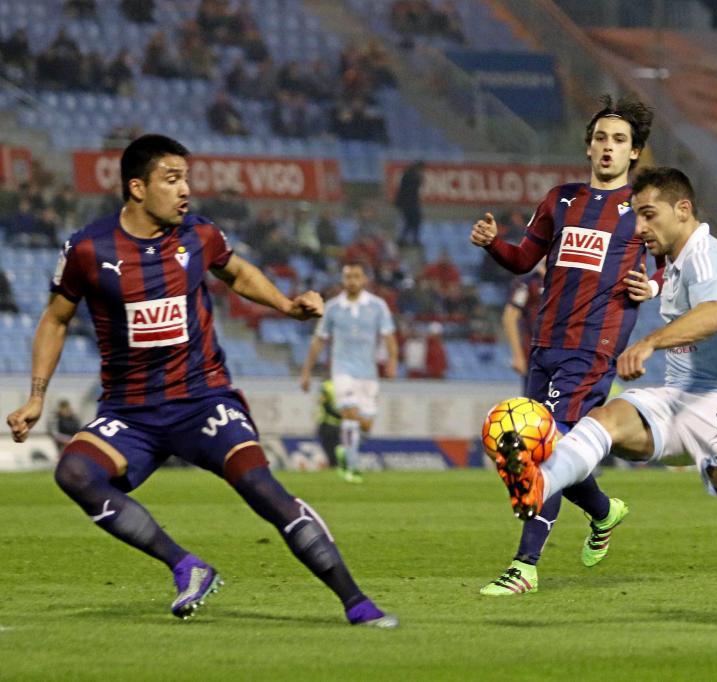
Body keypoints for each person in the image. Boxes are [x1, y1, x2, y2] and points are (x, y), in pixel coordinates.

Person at [4, 135, 396, 628]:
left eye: (187, 178)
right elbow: (55, 319)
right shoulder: (88, 249)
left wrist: (286, 305)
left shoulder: (199, 235)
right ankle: (186, 565)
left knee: (261, 486)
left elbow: (236, 273)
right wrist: (36, 396)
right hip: (131, 413)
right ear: (137, 188)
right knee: (75, 474)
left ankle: (358, 603)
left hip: (203, 401)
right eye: (172, 179)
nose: (185, 189)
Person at [490, 166, 717, 635]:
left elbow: (712, 315)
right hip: (681, 398)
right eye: (637, 217)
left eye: (648, 215)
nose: (640, 227)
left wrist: (649, 343)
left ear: (683, 210)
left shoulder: (707, 254)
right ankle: (537, 486)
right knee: (604, 419)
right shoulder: (675, 265)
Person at [470, 94, 659, 596]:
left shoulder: (641, 208)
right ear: (588, 145)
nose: (607, 148)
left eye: (619, 141)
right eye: (600, 138)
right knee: (555, 448)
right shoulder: (560, 199)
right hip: (545, 343)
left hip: (593, 350)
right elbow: (522, 258)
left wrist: (654, 287)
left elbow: (671, 263)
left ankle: (524, 566)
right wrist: (493, 242)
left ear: (634, 152)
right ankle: (604, 510)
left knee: (540, 449)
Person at [300, 262, 398, 483]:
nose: (352, 281)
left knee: (366, 423)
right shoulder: (333, 307)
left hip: (368, 373)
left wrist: (392, 362)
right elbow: (318, 341)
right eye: (348, 277)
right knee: (350, 413)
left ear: (364, 279)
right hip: (342, 370)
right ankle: (351, 467)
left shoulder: (377, 306)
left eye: (356, 276)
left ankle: (345, 451)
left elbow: (389, 336)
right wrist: (306, 372)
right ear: (343, 280)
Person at [501, 262, 545, 392]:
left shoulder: (569, 280)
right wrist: (517, 355)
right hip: (535, 354)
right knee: (534, 404)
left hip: (564, 351)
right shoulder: (528, 283)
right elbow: (510, 316)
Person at [394, 161, 424, 246]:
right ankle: (411, 239)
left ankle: (404, 239)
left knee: (409, 222)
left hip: (407, 203)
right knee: (413, 221)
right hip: (410, 204)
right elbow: (411, 190)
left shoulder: (407, 175)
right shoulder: (413, 177)